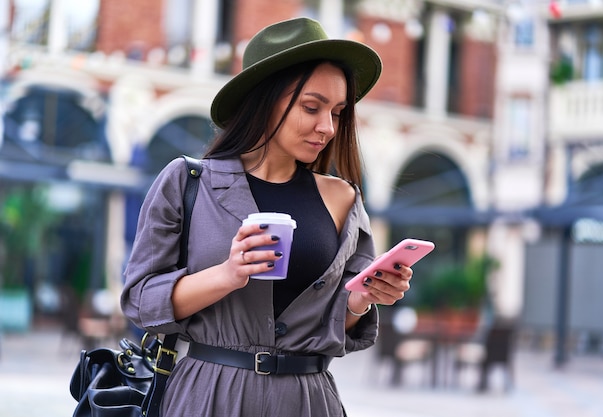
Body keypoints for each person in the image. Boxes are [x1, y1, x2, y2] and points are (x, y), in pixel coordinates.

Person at [121, 17, 412, 417]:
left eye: (338, 112)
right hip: (210, 396)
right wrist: (228, 274)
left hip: (308, 401)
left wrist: (361, 300)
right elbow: (140, 302)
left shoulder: (343, 198)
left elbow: (333, 326)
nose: (327, 127)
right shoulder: (188, 182)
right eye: (312, 107)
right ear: (263, 99)